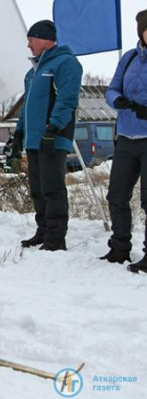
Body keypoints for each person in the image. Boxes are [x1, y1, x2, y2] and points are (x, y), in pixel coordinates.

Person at [12, 20, 82, 252]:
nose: (28, 45)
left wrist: (53, 128)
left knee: (53, 188)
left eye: (31, 40)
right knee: (38, 188)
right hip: (34, 139)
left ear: (44, 39)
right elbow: (27, 107)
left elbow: (67, 99)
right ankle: (43, 231)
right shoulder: (32, 73)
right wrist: (19, 133)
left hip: (53, 137)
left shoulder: (65, 63)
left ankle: (56, 238)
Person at [100, 9, 147, 272]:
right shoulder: (129, 58)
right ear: (141, 32)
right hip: (126, 138)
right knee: (117, 195)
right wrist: (116, 100)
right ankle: (119, 248)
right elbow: (112, 88)